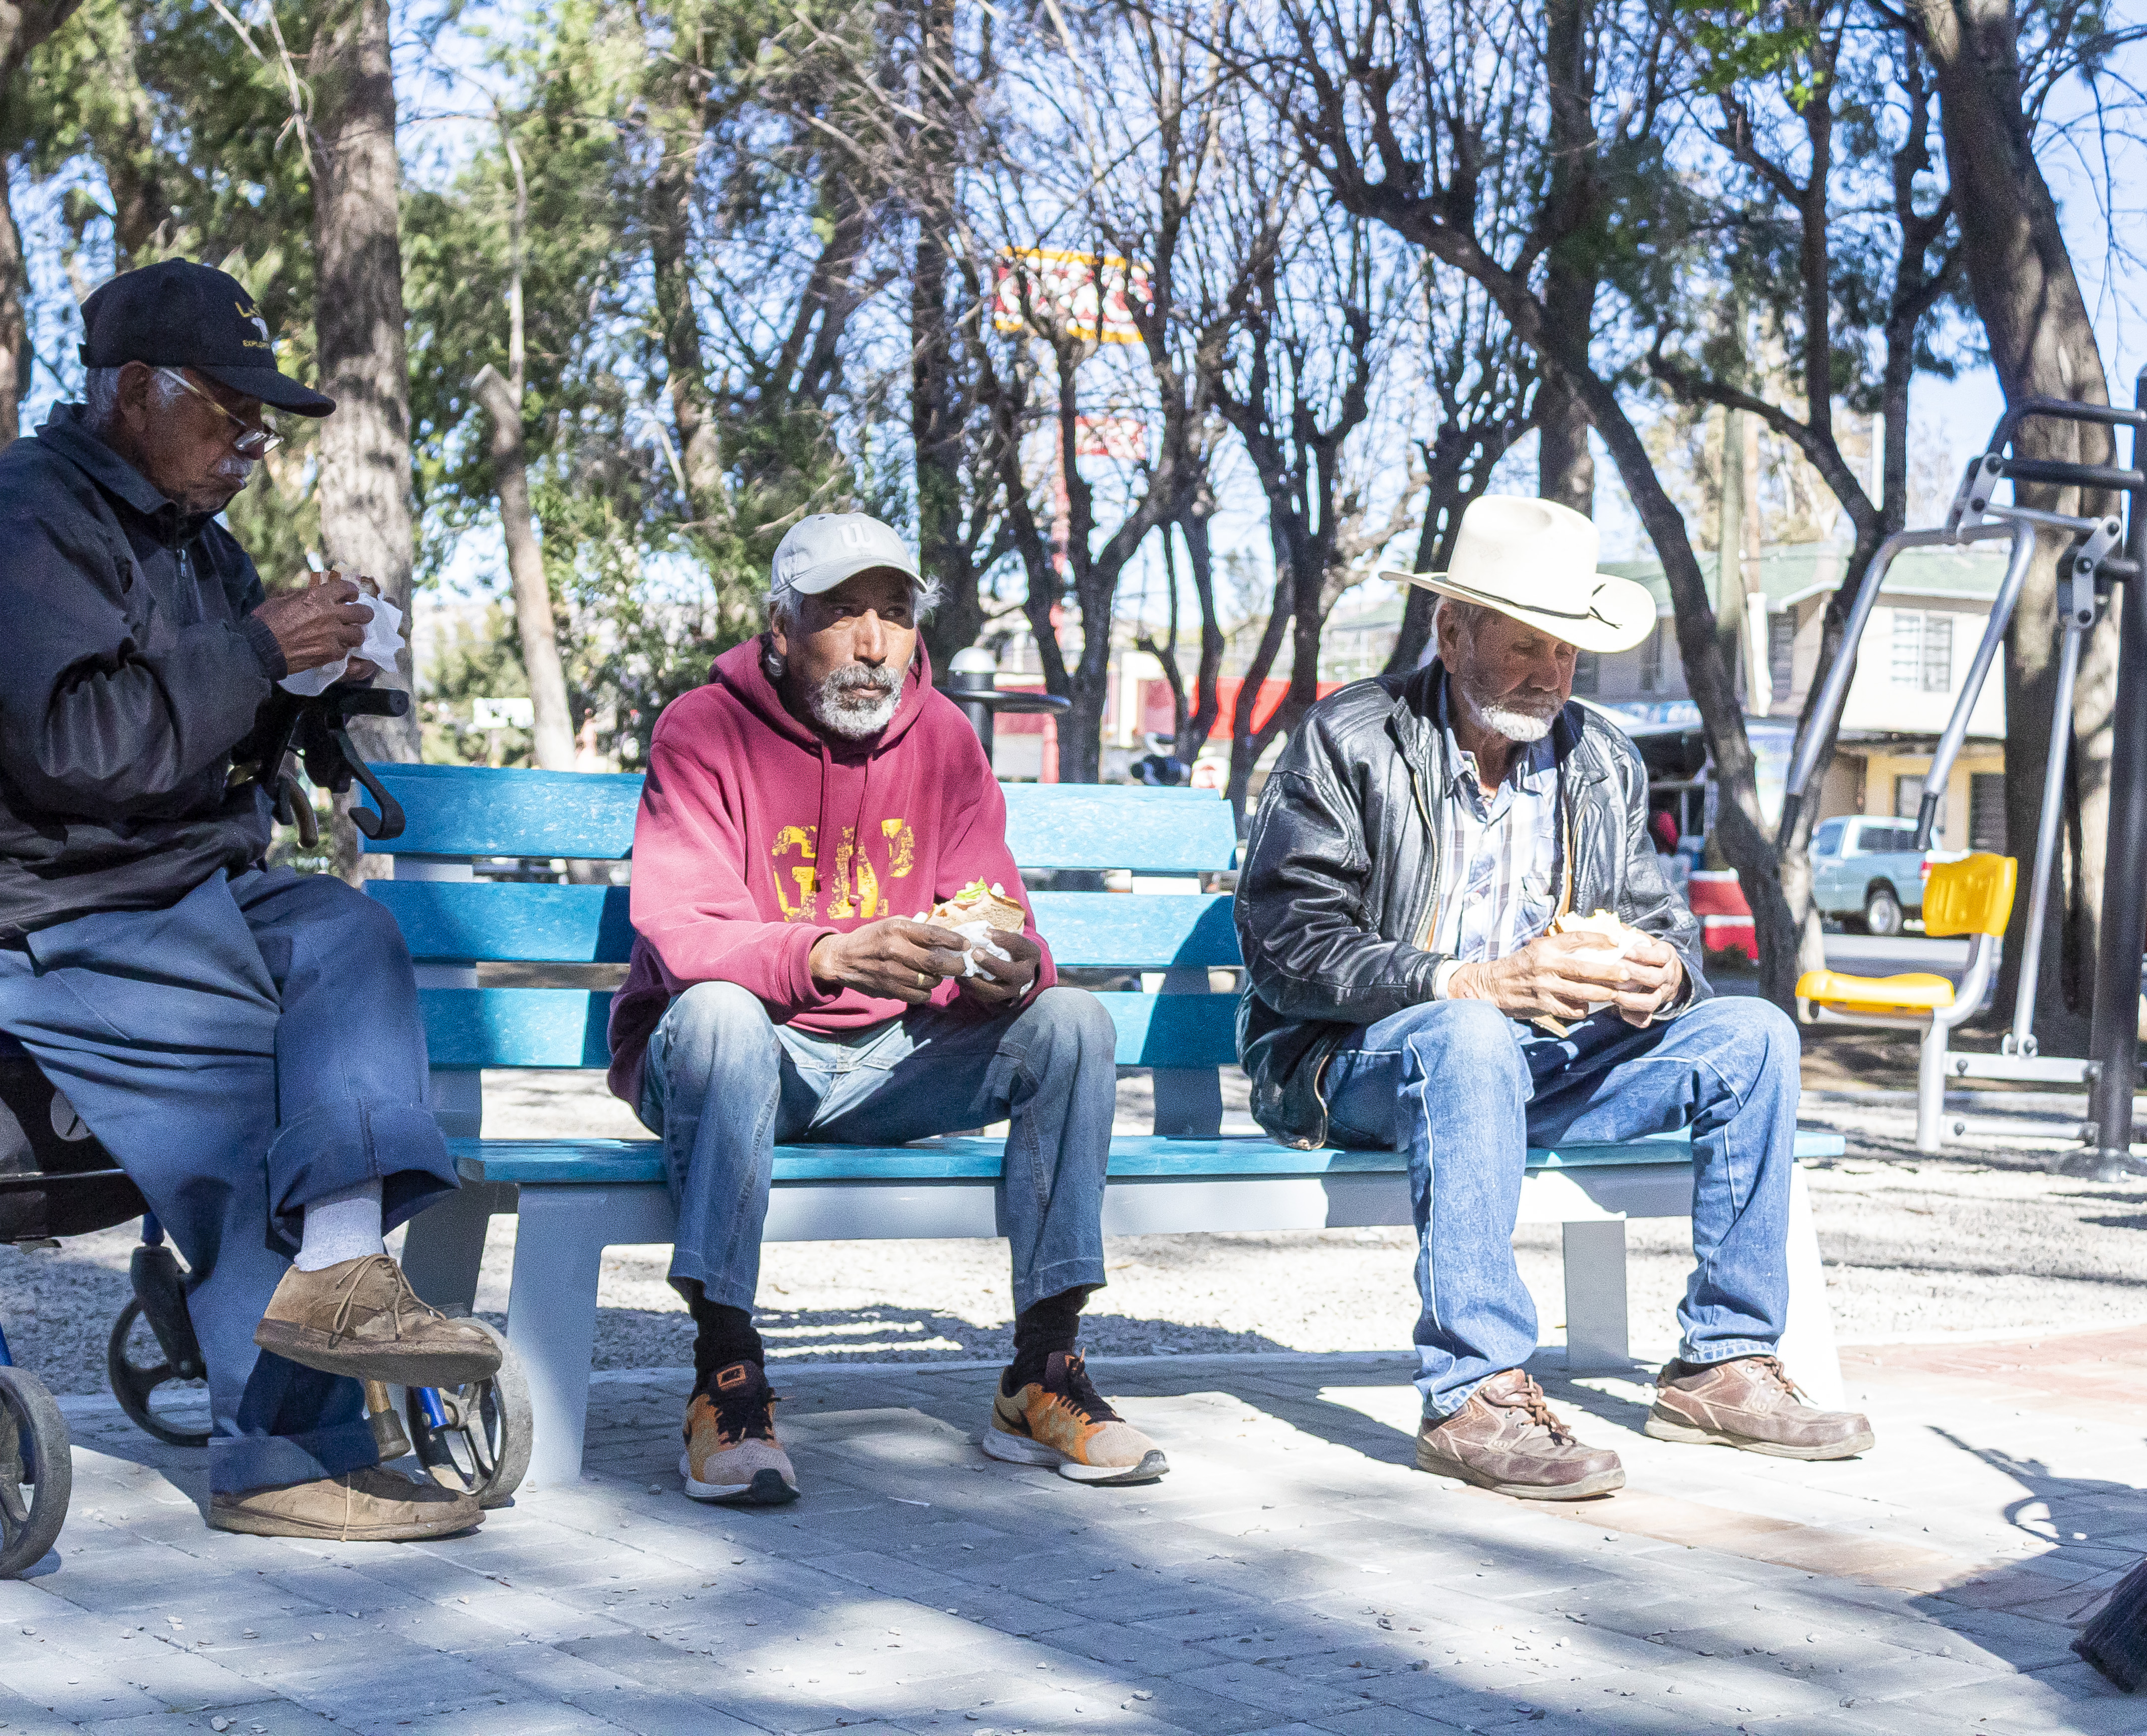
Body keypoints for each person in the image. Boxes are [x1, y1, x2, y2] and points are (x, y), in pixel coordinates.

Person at [0, 259, 499, 1542]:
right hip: (30, 907)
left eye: (263, 425)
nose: (253, 447)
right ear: (135, 395)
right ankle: (280, 1459)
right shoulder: (7, 528)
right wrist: (265, 647)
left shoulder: (188, 538)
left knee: (342, 931)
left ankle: (336, 1269)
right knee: (246, 1060)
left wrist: (319, 676)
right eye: (232, 415)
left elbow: (209, 713)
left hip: (164, 881)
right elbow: (82, 748)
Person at [1233, 495, 1873, 1501]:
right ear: (1453, 633)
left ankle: (1723, 1360)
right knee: (1469, 1036)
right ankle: (1475, 1393)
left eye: (1568, 650)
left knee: (1752, 1033)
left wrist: (1665, 974)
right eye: (1527, 644)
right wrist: (1467, 983)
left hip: (1539, 1066)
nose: (1553, 673)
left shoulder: (1601, 758)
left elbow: (1663, 926)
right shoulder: (1352, 740)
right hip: (1354, 1066)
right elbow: (1285, 943)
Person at [608, 512, 1167, 1505]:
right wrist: (827, 952)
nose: (873, 643)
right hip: (743, 1061)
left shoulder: (946, 739)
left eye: (896, 616)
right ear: (779, 629)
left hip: (896, 1062)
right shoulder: (702, 729)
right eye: (842, 612)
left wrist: (1008, 966)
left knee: (1073, 1022)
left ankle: (1042, 1372)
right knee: (724, 1017)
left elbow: (1000, 913)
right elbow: (686, 929)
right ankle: (726, 1377)